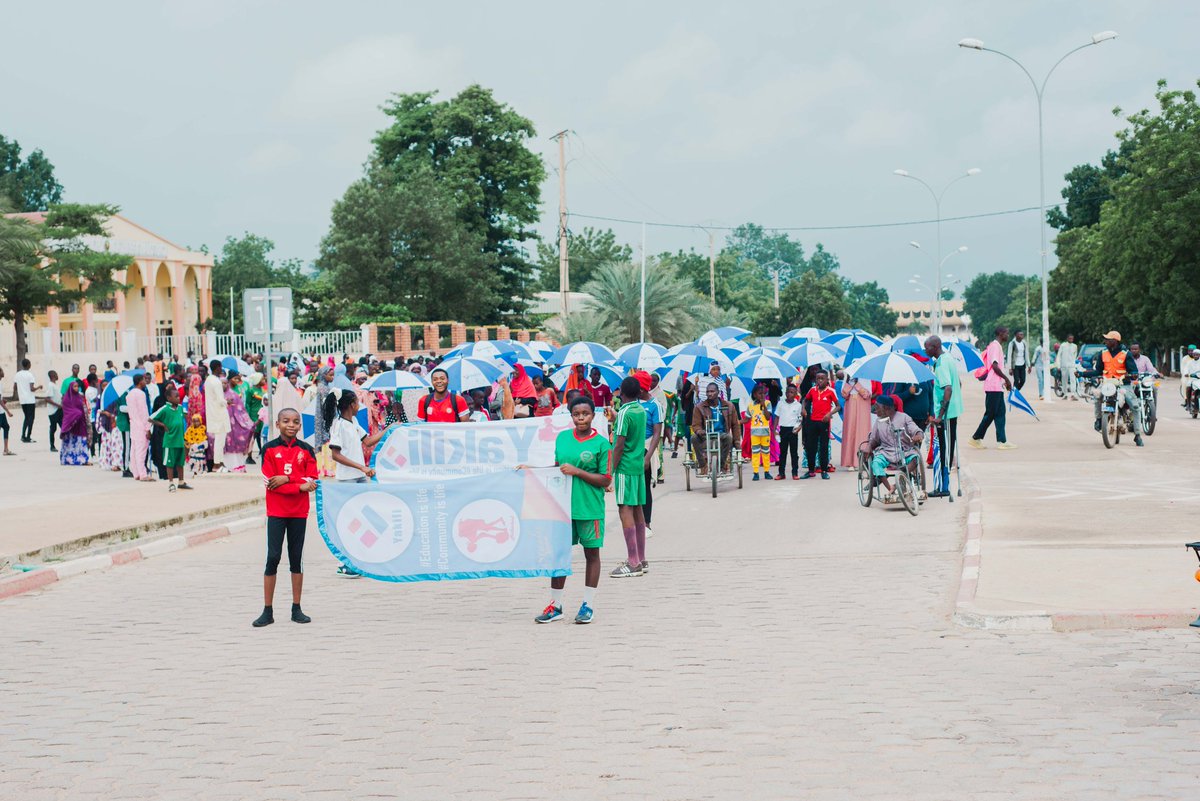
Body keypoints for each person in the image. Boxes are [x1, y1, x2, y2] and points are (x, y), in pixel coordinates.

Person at [533, 395, 612, 625]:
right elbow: (558, 469)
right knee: (559, 555)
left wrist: (578, 472)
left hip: (589, 508)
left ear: (593, 415)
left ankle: (587, 604)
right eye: (576, 414)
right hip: (563, 509)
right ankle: (555, 605)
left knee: (592, 555)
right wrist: (531, 470)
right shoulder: (563, 438)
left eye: (585, 414)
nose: (581, 418)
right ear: (571, 416)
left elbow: (606, 480)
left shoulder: (601, 445)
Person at [255, 408, 319, 627]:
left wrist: (288, 478)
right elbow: (269, 483)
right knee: (272, 557)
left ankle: (296, 608)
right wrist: (298, 486)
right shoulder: (269, 449)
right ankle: (267, 610)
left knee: (296, 558)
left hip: (299, 513)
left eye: (295, 422)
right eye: (286, 421)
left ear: (300, 425)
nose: (291, 425)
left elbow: (312, 480)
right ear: (277, 423)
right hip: (276, 512)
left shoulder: (307, 450)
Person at [609, 377, 648, 579]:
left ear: (621, 393)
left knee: (625, 508)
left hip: (624, 467)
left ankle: (633, 562)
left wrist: (610, 471)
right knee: (638, 509)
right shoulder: (640, 410)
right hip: (638, 466)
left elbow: (619, 445)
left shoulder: (624, 412)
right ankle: (641, 558)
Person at [1079, 330, 1144, 447]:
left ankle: (1137, 435)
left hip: (1123, 384)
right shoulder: (1102, 353)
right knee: (1098, 397)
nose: (1105, 341)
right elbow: (1098, 370)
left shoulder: (1126, 354)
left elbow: (1133, 370)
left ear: (1115, 341)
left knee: (1134, 406)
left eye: (1108, 339)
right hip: (1107, 384)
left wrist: (1134, 374)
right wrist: (1082, 374)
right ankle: (1099, 420)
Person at [865, 396, 924, 499]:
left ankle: (900, 480)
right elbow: (874, 439)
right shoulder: (879, 422)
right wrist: (869, 446)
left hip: (904, 451)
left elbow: (915, 429)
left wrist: (918, 435)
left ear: (886, 408)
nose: (875, 410)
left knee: (915, 458)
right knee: (876, 463)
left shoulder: (904, 417)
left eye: (877, 407)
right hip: (886, 452)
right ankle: (891, 488)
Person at [970, 326, 1015, 450]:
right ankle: (975, 438)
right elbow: (994, 366)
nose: (1008, 335)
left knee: (1000, 413)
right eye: (1007, 333)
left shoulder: (997, 346)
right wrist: (1006, 379)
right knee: (990, 414)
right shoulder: (995, 346)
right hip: (993, 386)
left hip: (997, 386)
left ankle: (1002, 441)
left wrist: (1003, 381)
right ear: (1000, 333)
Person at [691, 381, 739, 476]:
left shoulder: (729, 406)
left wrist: (737, 443)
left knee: (729, 438)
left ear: (718, 392)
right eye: (708, 392)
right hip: (706, 435)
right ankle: (703, 465)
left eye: (712, 391)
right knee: (694, 438)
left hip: (722, 435)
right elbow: (695, 424)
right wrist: (699, 431)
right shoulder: (699, 407)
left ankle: (721, 465)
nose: (710, 394)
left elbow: (735, 425)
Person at [635, 371, 663, 535]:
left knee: (645, 487)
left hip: (647, 446)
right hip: (633, 447)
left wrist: (648, 456)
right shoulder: (633, 403)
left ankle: (646, 523)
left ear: (642, 388)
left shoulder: (655, 405)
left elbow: (657, 433)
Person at [150, 383, 191, 491]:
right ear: (169, 398)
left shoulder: (181, 408)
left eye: (179, 396)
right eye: (176, 396)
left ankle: (181, 481)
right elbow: (151, 418)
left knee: (180, 462)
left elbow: (186, 415)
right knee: (169, 463)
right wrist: (163, 425)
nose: (178, 398)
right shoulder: (165, 408)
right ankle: (171, 482)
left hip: (180, 440)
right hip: (170, 441)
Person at [801, 370, 839, 480]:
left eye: (822, 378)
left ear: (827, 380)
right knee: (810, 447)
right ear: (815, 379)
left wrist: (829, 413)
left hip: (824, 422)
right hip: (812, 421)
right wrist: (803, 409)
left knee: (823, 447)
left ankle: (824, 471)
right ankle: (811, 470)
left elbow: (838, 406)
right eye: (818, 378)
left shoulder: (831, 391)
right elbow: (805, 400)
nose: (820, 380)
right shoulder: (812, 390)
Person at [223, 373, 255, 471]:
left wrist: (247, 423)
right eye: (222, 383)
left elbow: (241, 409)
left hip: (236, 423)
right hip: (223, 424)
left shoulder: (235, 394)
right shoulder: (218, 396)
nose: (223, 385)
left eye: (224, 383)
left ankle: (237, 466)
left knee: (235, 443)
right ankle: (226, 466)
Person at [839, 376, 872, 469]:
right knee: (850, 431)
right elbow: (844, 395)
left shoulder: (866, 377)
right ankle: (849, 462)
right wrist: (848, 382)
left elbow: (867, 395)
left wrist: (857, 384)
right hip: (850, 405)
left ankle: (861, 461)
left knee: (862, 432)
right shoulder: (847, 377)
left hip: (863, 405)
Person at [127, 372, 154, 481]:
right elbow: (144, 412)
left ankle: (136, 473)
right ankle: (143, 474)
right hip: (141, 425)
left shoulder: (129, 394)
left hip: (133, 424)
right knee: (141, 451)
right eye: (143, 380)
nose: (145, 382)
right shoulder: (141, 394)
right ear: (139, 382)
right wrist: (148, 428)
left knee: (134, 450)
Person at [204, 360, 230, 471]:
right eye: (220, 367)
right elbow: (220, 400)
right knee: (220, 440)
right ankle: (217, 464)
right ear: (217, 368)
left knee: (218, 440)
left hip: (212, 412)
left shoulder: (208, 380)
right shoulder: (216, 382)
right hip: (219, 413)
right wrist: (227, 402)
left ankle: (219, 462)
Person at [57, 381, 90, 466]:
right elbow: (67, 411)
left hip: (80, 423)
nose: (76, 388)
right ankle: (68, 459)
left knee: (80, 442)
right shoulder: (66, 398)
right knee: (70, 442)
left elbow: (83, 408)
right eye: (74, 386)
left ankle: (82, 459)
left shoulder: (79, 397)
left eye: (77, 387)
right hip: (71, 425)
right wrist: (76, 413)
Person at [775, 383, 802, 480]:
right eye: (788, 392)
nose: (790, 394)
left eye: (792, 392)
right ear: (785, 393)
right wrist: (775, 430)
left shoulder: (798, 405)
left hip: (793, 430)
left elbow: (800, 418)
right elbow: (777, 417)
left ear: (796, 394)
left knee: (794, 453)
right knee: (783, 453)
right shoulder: (780, 403)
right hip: (783, 429)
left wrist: (799, 428)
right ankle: (781, 473)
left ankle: (795, 472)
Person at [746, 384, 773, 481]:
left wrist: (764, 406)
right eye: (760, 393)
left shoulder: (768, 403)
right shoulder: (750, 406)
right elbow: (747, 419)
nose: (762, 396)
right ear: (754, 394)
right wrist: (738, 421)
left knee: (766, 452)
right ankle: (756, 472)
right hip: (754, 433)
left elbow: (768, 417)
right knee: (755, 453)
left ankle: (766, 471)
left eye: (764, 393)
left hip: (765, 433)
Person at [14, 359, 40, 443]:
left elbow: (15, 387)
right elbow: (32, 389)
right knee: (31, 418)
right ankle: (28, 436)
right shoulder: (30, 375)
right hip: (30, 400)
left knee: (26, 417)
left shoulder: (17, 374)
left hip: (22, 400)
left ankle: (23, 436)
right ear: (28, 365)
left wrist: (21, 391)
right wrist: (39, 387)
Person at [184, 414, 208, 479]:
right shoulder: (190, 429)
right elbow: (186, 438)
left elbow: (205, 437)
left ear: (200, 421)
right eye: (194, 421)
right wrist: (189, 445)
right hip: (193, 449)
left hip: (200, 448)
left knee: (201, 461)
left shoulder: (203, 428)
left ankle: (201, 472)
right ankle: (193, 473)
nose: (196, 423)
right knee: (193, 461)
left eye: (198, 421)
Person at [1057, 334, 1079, 399]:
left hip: (1072, 365)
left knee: (1073, 379)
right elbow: (1059, 355)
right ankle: (1065, 394)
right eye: (1070, 338)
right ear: (1067, 338)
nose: (1071, 340)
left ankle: (1073, 394)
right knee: (1064, 380)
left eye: (1072, 339)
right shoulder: (1063, 345)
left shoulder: (1075, 346)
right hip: (1064, 365)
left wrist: (1074, 364)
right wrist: (1058, 365)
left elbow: (1075, 355)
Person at [46, 369, 62, 451]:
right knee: (53, 428)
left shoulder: (55, 385)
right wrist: (58, 405)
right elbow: (47, 399)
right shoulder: (50, 385)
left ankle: (65, 443)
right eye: (56, 374)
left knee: (63, 426)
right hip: (53, 411)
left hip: (59, 410)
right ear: (53, 376)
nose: (57, 375)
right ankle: (52, 446)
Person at [0, 367, 13, 455]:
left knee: (6, 427)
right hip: (0, 412)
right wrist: (8, 411)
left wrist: (3, 399)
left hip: (1, 411)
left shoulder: (0, 383)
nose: (3, 372)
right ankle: (5, 449)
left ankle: (6, 449)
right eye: (2, 371)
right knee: (5, 427)